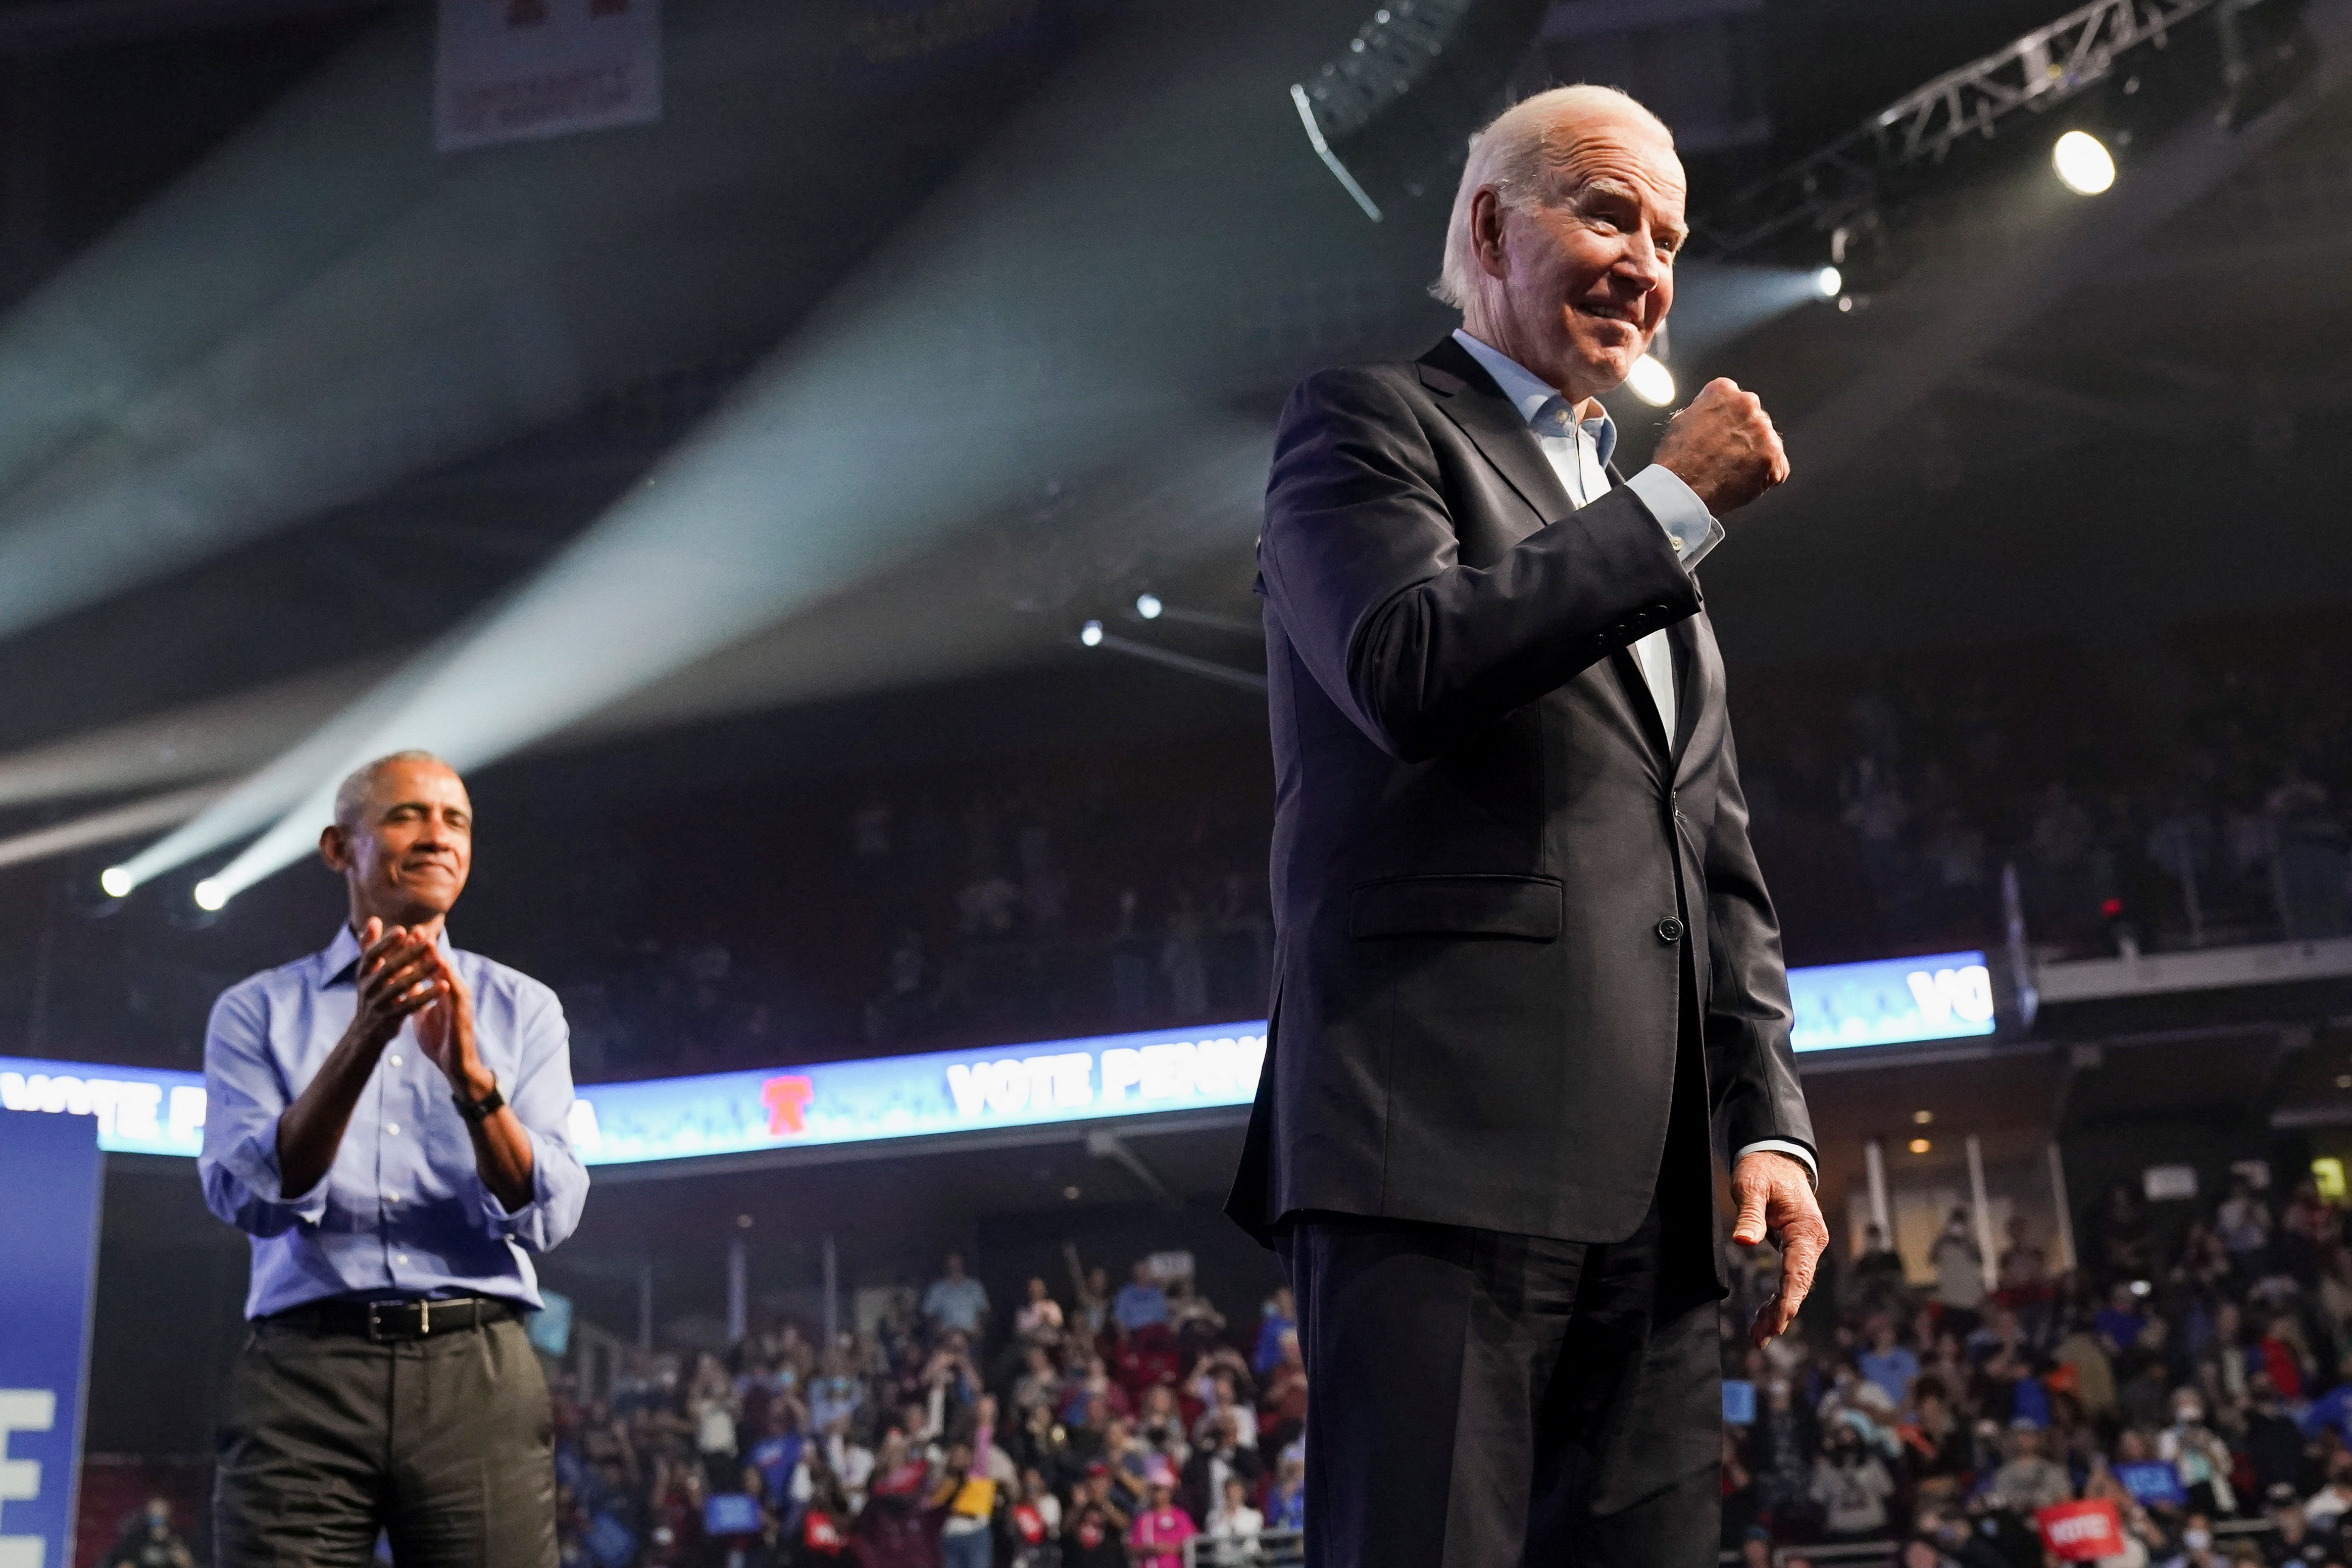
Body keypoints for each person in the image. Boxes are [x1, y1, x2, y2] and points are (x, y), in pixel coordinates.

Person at [1223, 81, 1823, 1565]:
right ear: (1493, 226)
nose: (1647, 264)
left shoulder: (1639, 521)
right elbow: (1405, 666)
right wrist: (1677, 508)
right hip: (1432, 1152)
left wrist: (1768, 1126)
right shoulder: (1365, 426)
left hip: (1660, 1203)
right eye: (1607, 213)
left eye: (1668, 236)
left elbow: (1713, 862)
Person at [200, 750, 589, 1566]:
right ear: (340, 849)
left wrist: (474, 1082)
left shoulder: (524, 1010)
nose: (438, 836)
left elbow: (550, 1211)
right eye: (407, 814)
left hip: (474, 1370)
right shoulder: (255, 1012)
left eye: (456, 820)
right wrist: (365, 1036)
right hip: (305, 1372)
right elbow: (254, 1198)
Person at [101, 1497, 196, 1568]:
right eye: (154, 1512)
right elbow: (123, 1563)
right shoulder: (135, 1538)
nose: (158, 1516)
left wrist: (187, 1562)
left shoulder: (180, 1539)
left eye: (161, 1512)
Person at [924, 1252, 991, 1337]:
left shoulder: (975, 1287)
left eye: (957, 1264)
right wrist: (937, 1328)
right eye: (951, 1265)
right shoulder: (937, 1289)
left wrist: (981, 1327)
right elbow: (929, 1314)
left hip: (971, 1334)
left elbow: (985, 1312)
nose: (955, 1268)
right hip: (947, 1336)